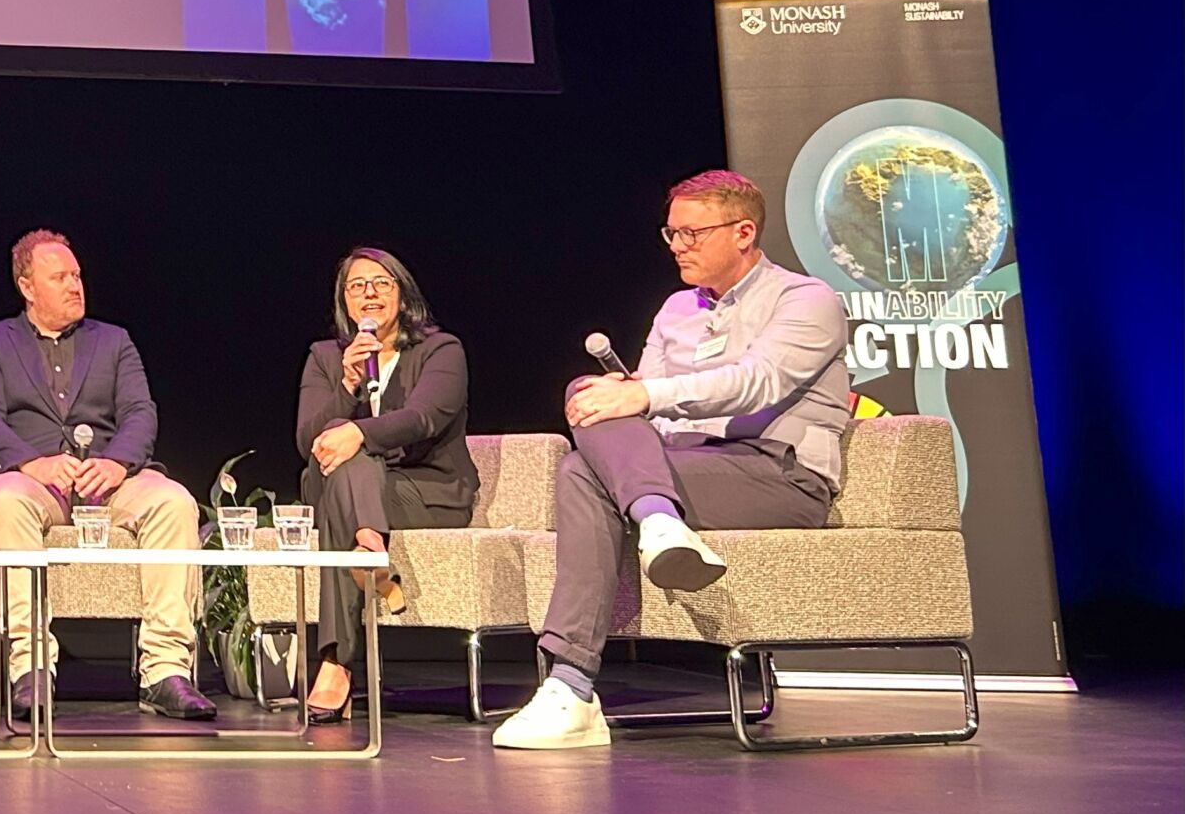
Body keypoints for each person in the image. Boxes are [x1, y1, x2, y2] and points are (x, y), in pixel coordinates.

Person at [493, 169, 851, 750]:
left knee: (584, 469)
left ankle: (572, 686)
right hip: (682, 467)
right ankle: (656, 524)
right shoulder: (676, 308)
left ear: (743, 232)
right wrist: (630, 397)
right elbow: (643, 408)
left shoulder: (806, 300)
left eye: (692, 233)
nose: (678, 246)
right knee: (588, 401)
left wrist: (643, 395)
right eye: (672, 234)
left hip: (780, 473)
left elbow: (757, 382)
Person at [0, 230, 216, 722]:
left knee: (173, 502)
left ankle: (165, 670)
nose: (75, 285)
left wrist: (118, 462)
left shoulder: (113, 340)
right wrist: (31, 462)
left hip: (108, 483)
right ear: (27, 287)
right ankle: (31, 666)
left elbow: (141, 412)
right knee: (8, 500)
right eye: (60, 277)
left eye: (76, 275)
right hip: (34, 482)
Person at [293, 246, 476, 720]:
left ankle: (335, 663)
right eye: (357, 286)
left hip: (425, 491)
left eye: (381, 283)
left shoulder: (441, 349)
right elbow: (307, 440)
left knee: (348, 470)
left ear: (402, 293)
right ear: (345, 302)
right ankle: (370, 549)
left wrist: (358, 431)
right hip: (352, 490)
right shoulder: (325, 357)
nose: (369, 293)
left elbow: (424, 418)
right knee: (346, 466)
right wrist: (347, 387)